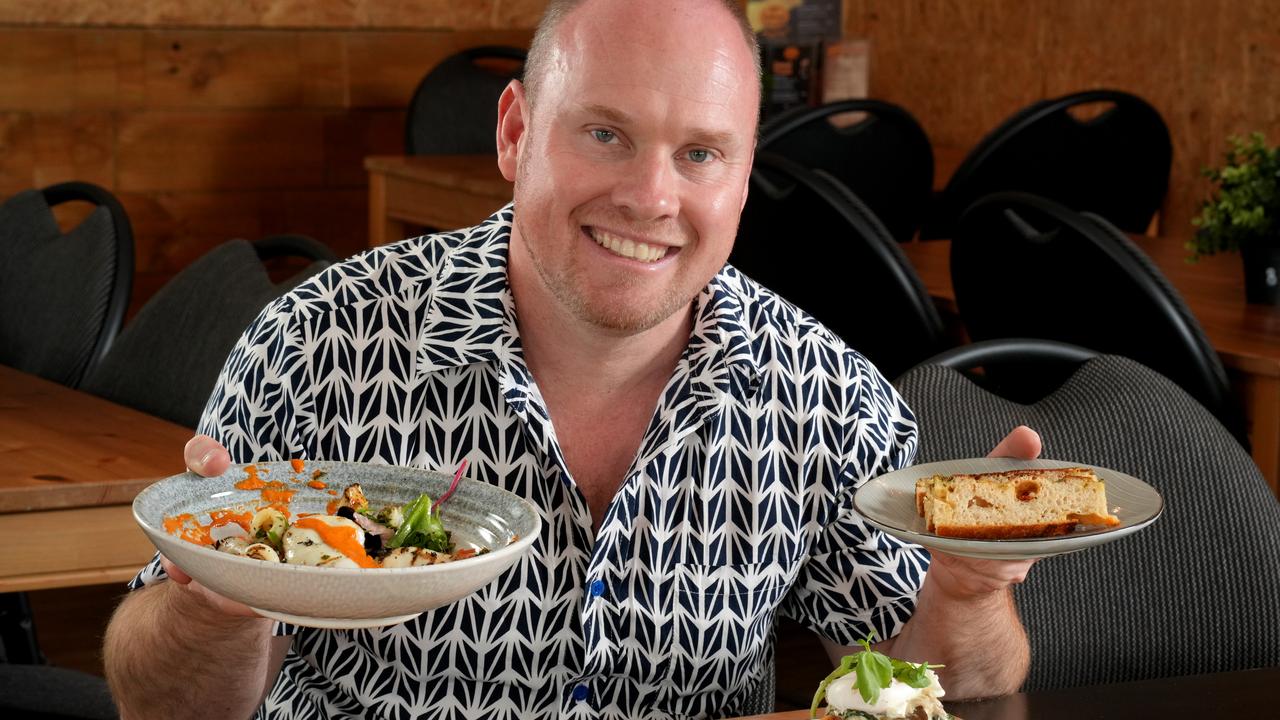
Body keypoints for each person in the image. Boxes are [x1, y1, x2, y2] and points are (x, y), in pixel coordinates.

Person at [104, 1, 1038, 718]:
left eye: (702, 154)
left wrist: (966, 594)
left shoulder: (824, 394)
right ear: (515, 133)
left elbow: (946, 688)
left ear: (746, 176)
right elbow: (159, 703)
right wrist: (222, 599)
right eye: (605, 134)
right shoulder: (320, 342)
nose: (651, 196)